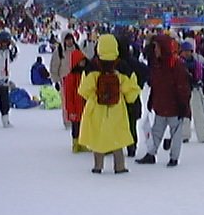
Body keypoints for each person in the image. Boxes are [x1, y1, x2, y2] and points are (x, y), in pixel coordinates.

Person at [77, 34, 140, 174]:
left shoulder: (93, 66)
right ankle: (119, 166)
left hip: (97, 106)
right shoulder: (122, 66)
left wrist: (95, 96)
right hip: (117, 106)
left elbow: (84, 89)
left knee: (97, 138)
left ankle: (98, 166)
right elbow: (131, 91)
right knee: (117, 138)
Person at [136, 34, 191, 167]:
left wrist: (183, 105)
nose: (155, 50)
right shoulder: (158, 64)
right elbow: (156, 84)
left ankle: (173, 157)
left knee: (175, 134)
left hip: (174, 107)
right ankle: (151, 153)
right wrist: (151, 99)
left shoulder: (175, 64)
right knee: (156, 132)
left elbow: (182, 87)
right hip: (161, 104)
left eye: (157, 47)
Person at [179, 41, 204, 144]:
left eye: (189, 51)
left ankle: (203, 136)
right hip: (183, 91)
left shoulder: (197, 63)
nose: (187, 53)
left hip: (195, 89)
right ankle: (184, 135)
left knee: (199, 113)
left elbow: (203, 74)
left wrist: (203, 81)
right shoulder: (178, 63)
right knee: (184, 114)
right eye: (185, 51)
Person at [50, 31, 79, 128]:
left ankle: (77, 120)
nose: (69, 42)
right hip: (64, 80)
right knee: (66, 102)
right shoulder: (59, 51)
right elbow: (54, 67)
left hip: (77, 79)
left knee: (77, 100)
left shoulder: (77, 49)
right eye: (67, 40)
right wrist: (56, 81)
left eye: (71, 39)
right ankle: (67, 122)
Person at [62, 50, 88, 153]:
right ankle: (76, 143)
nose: (83, 63)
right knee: (76, 127)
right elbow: (68, 95)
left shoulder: (85, 74)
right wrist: (70, 109)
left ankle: (82, 143)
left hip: (83, 105)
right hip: (75, 107)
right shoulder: (71, 77)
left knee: (83, 126)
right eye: (81, 61)